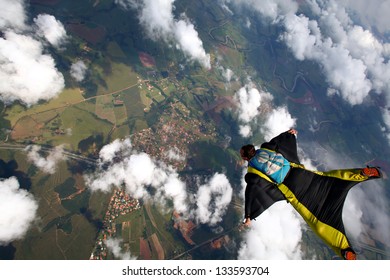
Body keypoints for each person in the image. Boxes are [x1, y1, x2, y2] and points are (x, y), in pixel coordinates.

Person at [240, 129, 382, 260]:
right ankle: (362, 174)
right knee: (335, 179)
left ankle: (345, 250)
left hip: (299, 194)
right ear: (253, 148)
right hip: (305, 176)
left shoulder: (253, 172)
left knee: (320, 225)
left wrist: (248, 215)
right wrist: (290, 134)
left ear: (246, 158)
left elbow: (251, 192)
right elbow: (277, 141)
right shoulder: (266, 148)